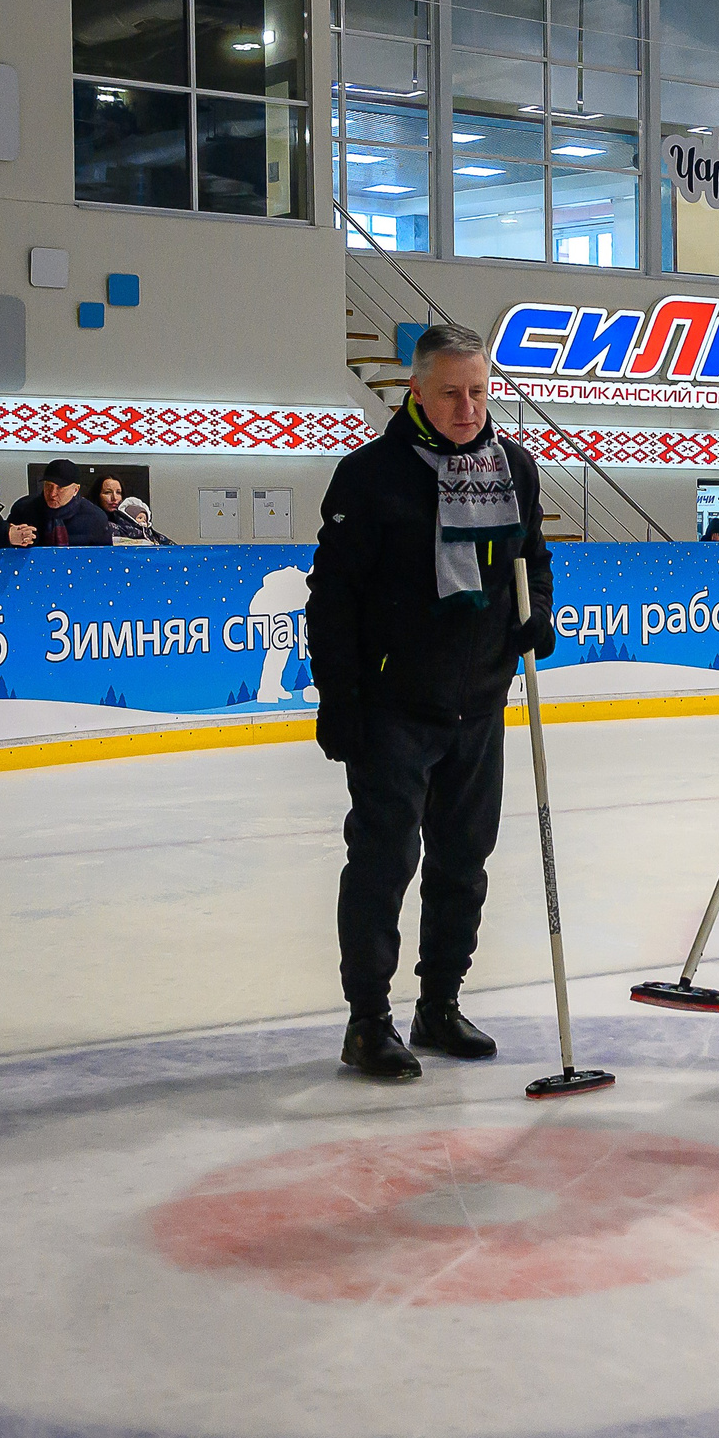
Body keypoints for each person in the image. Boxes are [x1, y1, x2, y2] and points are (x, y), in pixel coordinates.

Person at [305, 323, 555, 1081]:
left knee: (463, 861)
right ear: (415, 389)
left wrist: (536, 615)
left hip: (479, 701)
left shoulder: (513, 467)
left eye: (479, 392)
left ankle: (439, 1003)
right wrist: (339, 697)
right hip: (394, 706)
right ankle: (368, 1020)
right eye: (450, 393)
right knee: (383, 862)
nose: (468, 408)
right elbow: (332, 596)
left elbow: (532, 558)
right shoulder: (371, 475)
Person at [9, 459, 113, 547]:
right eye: (48, 486)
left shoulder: (95, 518)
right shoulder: (23, 509)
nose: (52, 494)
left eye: (60, 488)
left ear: (75, 490)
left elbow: (104, 557)